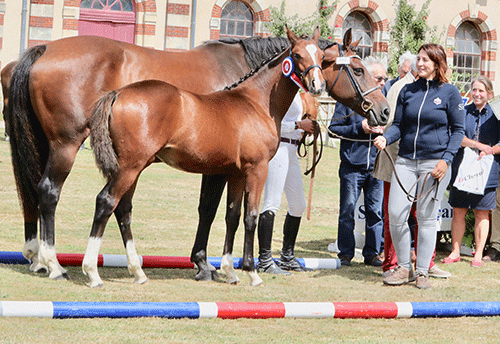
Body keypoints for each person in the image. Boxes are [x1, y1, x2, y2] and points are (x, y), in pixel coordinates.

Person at [374, 43, 465, 289]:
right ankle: (404, 268)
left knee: (426, 218)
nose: (421, 63)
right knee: (395, 214)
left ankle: (422, 271)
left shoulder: (450, 93)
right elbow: (399, 126)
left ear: (437, 63)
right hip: (404, 161)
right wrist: (386, 137)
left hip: (433, 164)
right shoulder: (407, 91)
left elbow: (458, 131)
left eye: (426, 59)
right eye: (419, 59)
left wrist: (445, 161)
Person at [328, 56, 387, 267]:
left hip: (376, 166)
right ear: (368, 76)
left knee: (375, 213)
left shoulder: (383, 99)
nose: (382, 83)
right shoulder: (348, 99)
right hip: (351, 166)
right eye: (379, 78)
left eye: (385, 79)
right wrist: (359, 128)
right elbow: (332, 129)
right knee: (347, 212)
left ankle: (372, 254)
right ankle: (345, 254)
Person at [442, 76, 500, 267]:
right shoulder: (463, 112)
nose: (476, 94)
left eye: (481, 91)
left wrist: (491, 150)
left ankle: (478, 254)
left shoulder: (496, 115)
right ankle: (455, 251)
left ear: (489, 94)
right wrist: (479, 145)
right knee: (458, 211)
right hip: (462, 170)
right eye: (474, 90)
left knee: (482, 213)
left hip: (486, 172)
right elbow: (456, 136)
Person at [255, 91, 315, 274]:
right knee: (272, 202)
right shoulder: (276, 91)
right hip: (279, 147)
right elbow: (269, 122)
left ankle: (287, 256)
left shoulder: (297, 93)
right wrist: (298, 124)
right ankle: (264, 259)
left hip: (292, 148)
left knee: (298, 205)